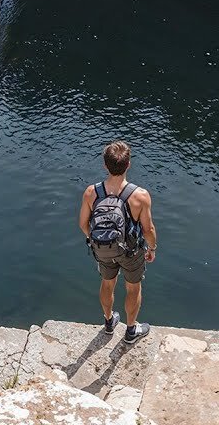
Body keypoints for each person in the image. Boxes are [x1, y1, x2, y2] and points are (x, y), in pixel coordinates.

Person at [78, 140, 158, 343]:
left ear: (105, 165)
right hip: (131, 251)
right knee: (133, 288)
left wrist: (97, 241)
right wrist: (152, 248)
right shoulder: (140, 196)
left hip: (103, 249)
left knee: (107, 283)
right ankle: (131, 331)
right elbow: (148, 229)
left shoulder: (91, 192)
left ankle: (108, 322)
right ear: (128, 164)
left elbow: (82, 224)